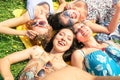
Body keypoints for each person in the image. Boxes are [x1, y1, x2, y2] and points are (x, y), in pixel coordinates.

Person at [0, 28, 76, 80]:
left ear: (70, 46)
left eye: (69, 39)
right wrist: (8, 77)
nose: (63, 38)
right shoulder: (37, 51)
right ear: (54, 37)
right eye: (61, 34)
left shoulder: (66, 69)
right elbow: (5, 60)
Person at [48, 0, 120, 42]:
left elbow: (57, 13)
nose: (71, 16)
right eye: (70, 20)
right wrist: (118, 9)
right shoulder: (86, 22)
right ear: (72, 24)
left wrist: (63, 4)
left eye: (66, 14)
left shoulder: (71, 5)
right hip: (115, 5)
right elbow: (108, 30)